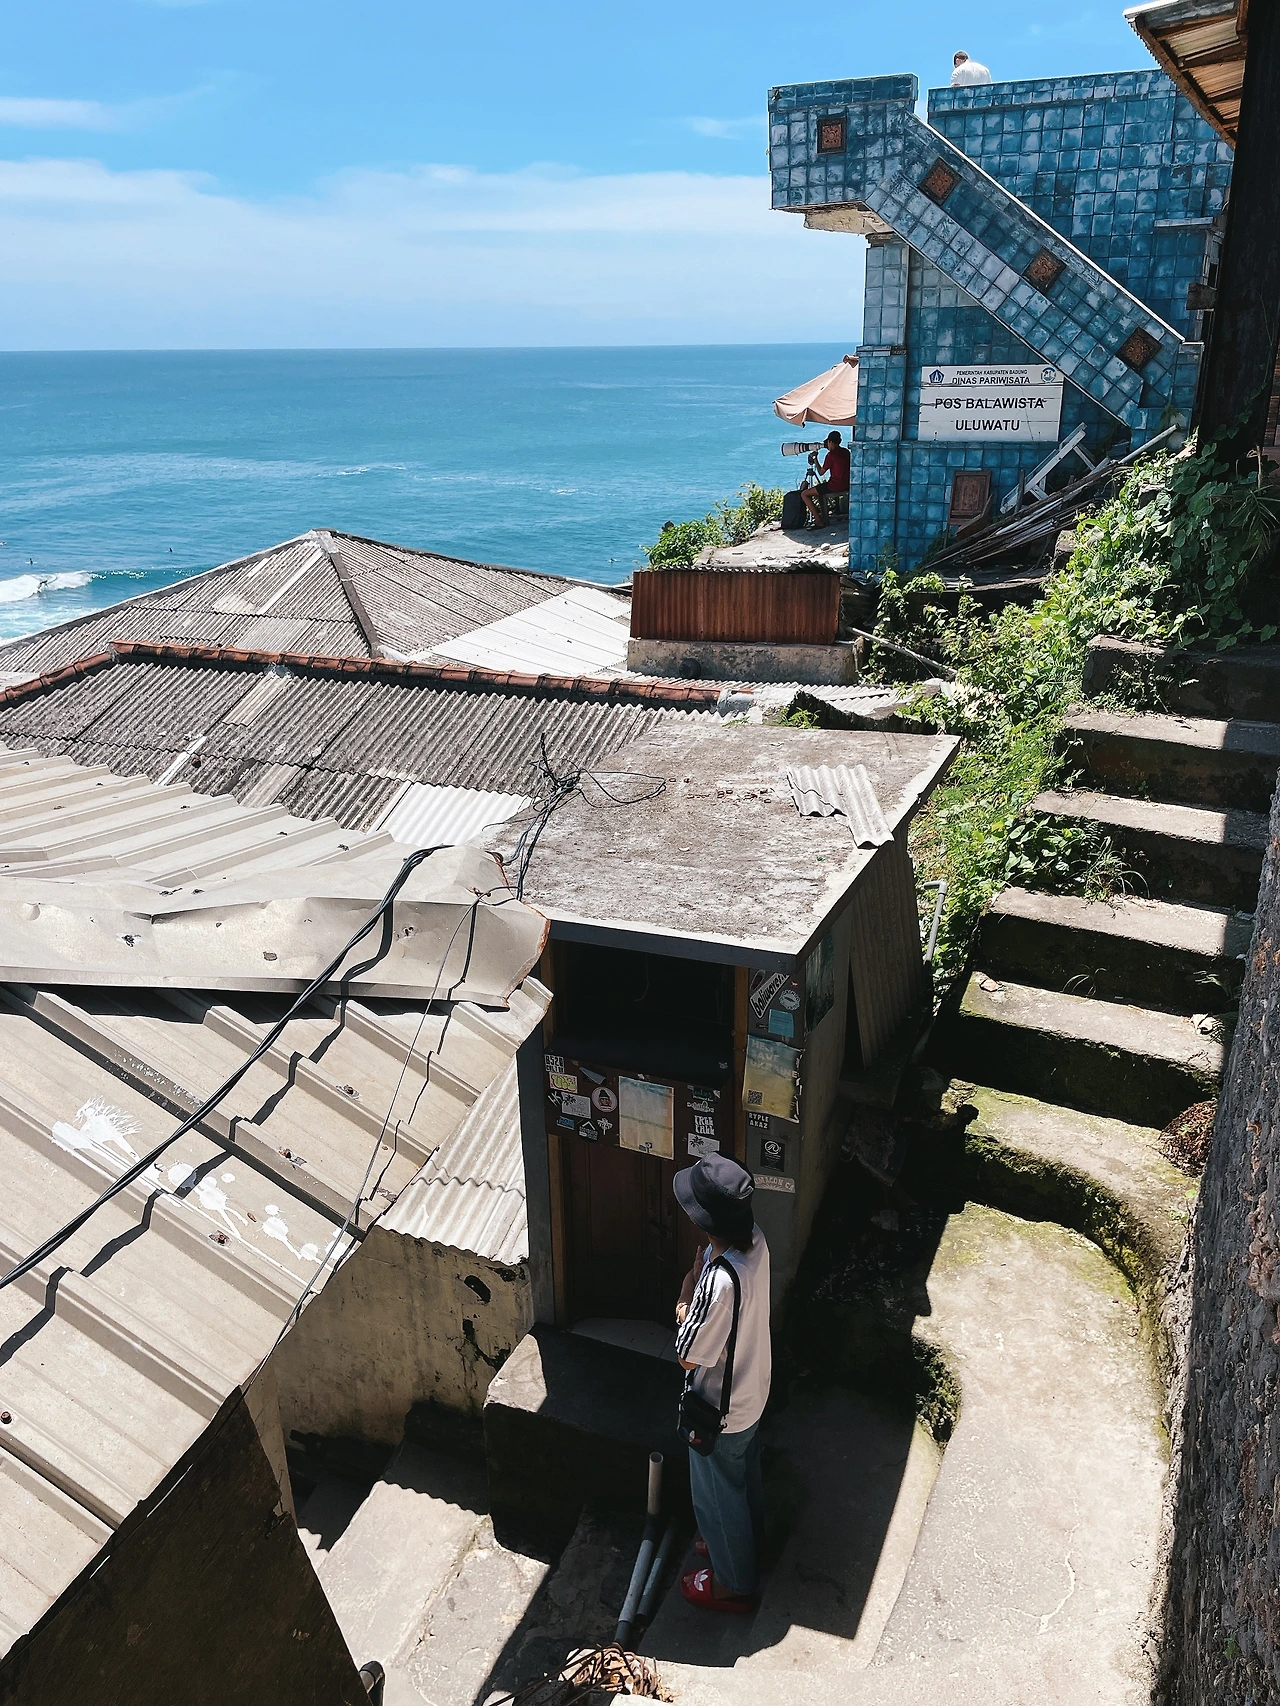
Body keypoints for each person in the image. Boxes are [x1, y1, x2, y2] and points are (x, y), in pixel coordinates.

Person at [673, 1155, 772, 1613]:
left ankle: (734, 1582)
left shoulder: (718, 1282)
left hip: (719, 1412)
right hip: (753, 1391)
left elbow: (689, 1355)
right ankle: (748, 1545)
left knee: (716, 1498)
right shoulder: (756, 1242)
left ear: (702, 1220)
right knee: (743, 1480)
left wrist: (686, 1295)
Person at [800, 430, 851, 528]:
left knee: (804, 494)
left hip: (835, 486)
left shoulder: (831, 455)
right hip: (847, 484)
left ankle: (818, 521)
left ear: (830, 442)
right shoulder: (846, 452)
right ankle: (823, 516)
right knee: (820, 491)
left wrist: (815, 459)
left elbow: (821, 472)